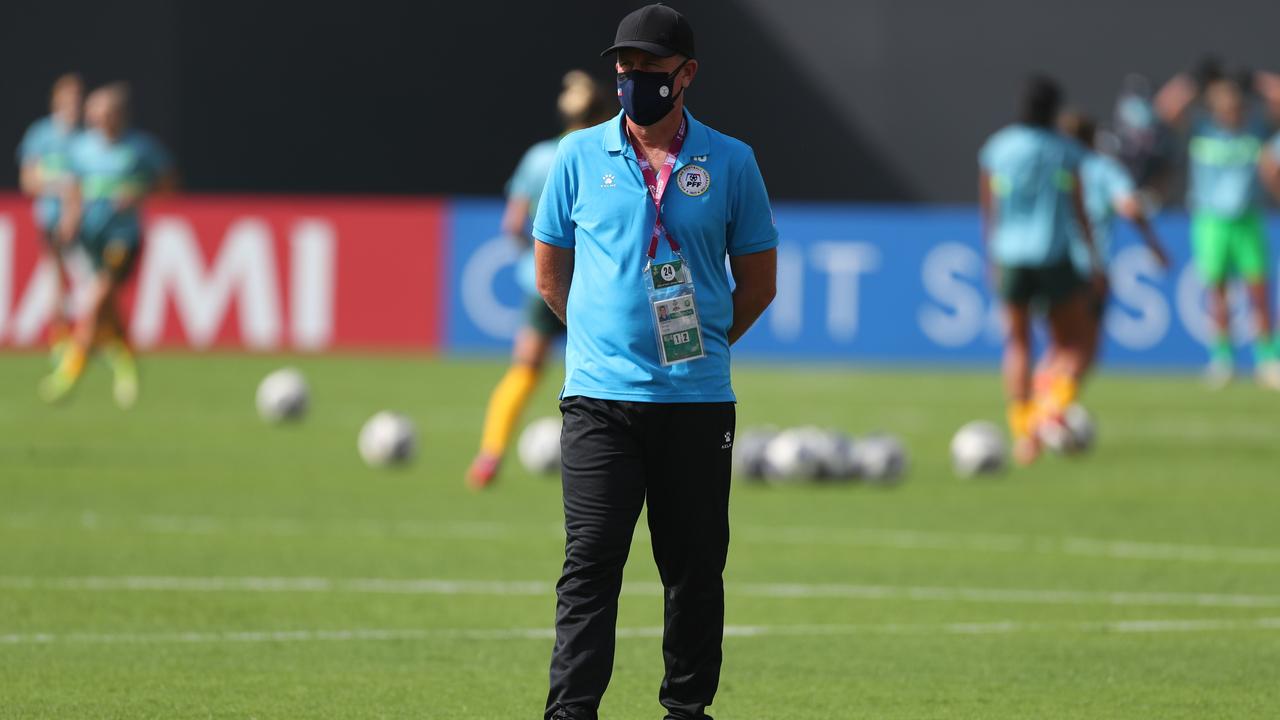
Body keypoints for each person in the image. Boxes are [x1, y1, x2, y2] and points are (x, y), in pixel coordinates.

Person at [533, 5, 778, 719]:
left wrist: (704, 350)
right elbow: (551, 272)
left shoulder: (732, 161)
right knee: (590, 568)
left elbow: (758, 282)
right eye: (626, 68)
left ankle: (686, 712)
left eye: (650, 69)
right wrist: (598, 345)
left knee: (696, 572)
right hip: (600, 403)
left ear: (686, 75)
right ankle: (571, 713)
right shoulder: (577, 157)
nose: (634, 80)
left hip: (697, 403)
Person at [466, 70, 613, 490]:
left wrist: (534, 252)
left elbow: (513, 223)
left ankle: (489, 454)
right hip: (599, 286)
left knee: (525, 370)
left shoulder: (537, 157)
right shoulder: (605, 155)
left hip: (544, 282)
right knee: (608, 375)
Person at [979, 76, 1103, 466]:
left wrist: (992, 256)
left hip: (1011, 254)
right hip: (1053, 254)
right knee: (1076, 343)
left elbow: (989, 208)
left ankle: (1024, 437)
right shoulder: (1066, 151)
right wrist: (1094, 259)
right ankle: (1050, 409)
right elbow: (1079, 208)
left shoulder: (997, 148)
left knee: (1017, 343)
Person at [39, 83, 176, 408]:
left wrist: (138, 193)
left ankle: (71, 368)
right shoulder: (82, 148)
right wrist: (70, 218)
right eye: (96, 112)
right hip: (89, 237)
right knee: (107, 309)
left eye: (106, 112)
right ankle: (126, 361)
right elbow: (73, 187)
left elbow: (169, 184)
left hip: (123, 237)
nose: (99, 118)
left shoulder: (141, 148)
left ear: (119, 115)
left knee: (97, 298)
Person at [1155, 66, 1280, 388]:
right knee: (1218, 293)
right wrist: (1193, 80)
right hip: (1210, 221)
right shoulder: (1201, 129)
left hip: (1247, 219)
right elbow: (1166, 108)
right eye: (1225, 108)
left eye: (1236, 107)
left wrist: (1257, 80)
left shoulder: (1255, 130)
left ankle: (1268, 359)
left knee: (1258, 291)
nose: (1231, 113)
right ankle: (1222, 359)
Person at [1050, 111, 1170, 377]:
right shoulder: (1102, 168)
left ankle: (1041, 409)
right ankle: (1052, 409)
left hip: (1051, 263)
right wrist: (1154, 245)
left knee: (1059, 346)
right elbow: (1129, 207)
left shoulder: (1053, 167)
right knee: (1083, 347)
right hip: (1087, 268)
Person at [16, 73, 84, 355]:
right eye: (68, 99)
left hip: (86, 220)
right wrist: (62, 188)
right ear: (56, 100)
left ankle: (89, 340)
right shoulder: (41, 135)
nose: (73, 105)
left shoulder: (86, 137)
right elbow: (28, 180)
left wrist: (75, 203)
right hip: (51, 218)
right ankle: (61, 343)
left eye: (78, 99)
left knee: (88, 283)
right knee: (55, 281)